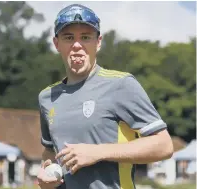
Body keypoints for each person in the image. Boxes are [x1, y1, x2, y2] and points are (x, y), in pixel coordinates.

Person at [37, 3, 173, 189]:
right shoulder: (47, 97)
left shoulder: (121, 84)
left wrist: (98, 152)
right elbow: (49, 151)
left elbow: (163, 145)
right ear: (57, 43)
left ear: (98, 42)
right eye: (69, 37)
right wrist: (47, 175)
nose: (77, 45)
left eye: (85, 37)